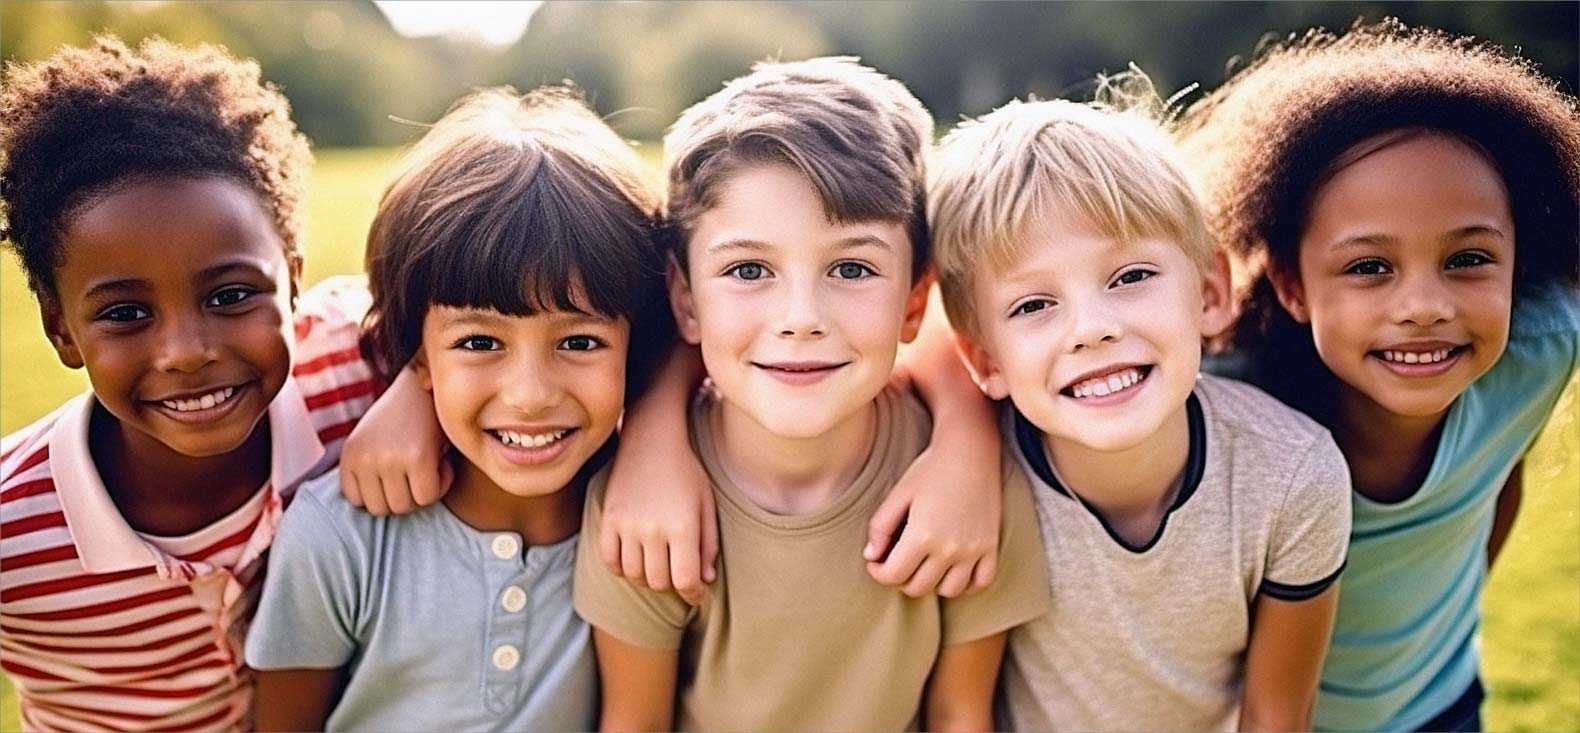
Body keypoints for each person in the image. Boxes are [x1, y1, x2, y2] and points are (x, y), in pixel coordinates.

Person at [573, 57, 1049, 732]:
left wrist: (970, 445)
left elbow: (961, 715)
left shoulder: (975, 489)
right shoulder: (643, 508)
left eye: (851, 267)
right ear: (685, 297)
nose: (801, 316)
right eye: (748, 269)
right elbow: (634, 721)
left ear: (915, 300)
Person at [1176, 19, 1580, 732]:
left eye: (1468, 258)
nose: (1424, 306)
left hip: (1441, 706)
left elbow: (1499, 470)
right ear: (1292, 285)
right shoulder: (1220, 399)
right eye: (1369, 267)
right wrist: (959, 439)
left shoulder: (1539, 352)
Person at [241, 86, 671, 732]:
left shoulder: (638, 526)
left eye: (579, 341)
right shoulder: (336, 540)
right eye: (480, 342)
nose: (530, 393)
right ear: (415, 354)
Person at [928, 81, 1353, 731]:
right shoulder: (988, 481)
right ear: (985, 360)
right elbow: (961, 711)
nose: (1090, 328)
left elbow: (1277, 715)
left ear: (1211, 291)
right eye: (1034, 305)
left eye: (1129, 277)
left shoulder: (1294, 475)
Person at [0, 35, 374, 733]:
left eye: (230, 295)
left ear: (293, 280)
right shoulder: (14, 527)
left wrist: (412, 394)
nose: (186, 352)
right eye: (126, 313)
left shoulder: (360, 359)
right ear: (62, 331)